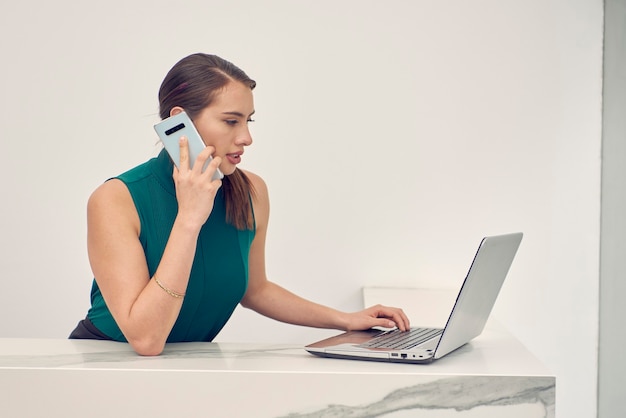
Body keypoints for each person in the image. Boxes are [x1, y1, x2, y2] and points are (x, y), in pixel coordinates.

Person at [69, 53, 410, 356]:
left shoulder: (251, 192)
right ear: (180, 122)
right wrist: (189, 218)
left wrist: (346, 320)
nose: (246, 137)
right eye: (231, 121)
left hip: (184, 370)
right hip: (105, 364)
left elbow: (255, 289)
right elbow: (146, 340)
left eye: (249, 121)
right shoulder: (115, 199)